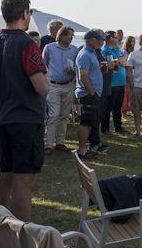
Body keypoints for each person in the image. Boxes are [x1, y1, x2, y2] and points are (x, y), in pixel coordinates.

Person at [0, 0, 49, 222]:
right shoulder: (26, 43)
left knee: (6, 174)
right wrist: (46, 81)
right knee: (23, 180)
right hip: (25, 119)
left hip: (3, 118)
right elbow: (40, 86)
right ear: (24, 14)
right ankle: (22, 234)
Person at [42, 26, 79, 153]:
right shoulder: (49, 48)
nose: (71, 38)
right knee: (53, 115)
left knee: (64, 115)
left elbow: (77, 68)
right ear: (61, 35)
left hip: (68, 84)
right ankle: (48, 144)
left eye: (72, 36)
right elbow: (43, 64)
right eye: (69, 35)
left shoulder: (74, 50)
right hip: (53, 85)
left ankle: (60, 142)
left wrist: (73, 71)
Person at [74, 30, 105, 159]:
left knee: (91, 122)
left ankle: (86, 148)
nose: (102, 42)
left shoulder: (92, 53)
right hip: (88, 94)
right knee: (86, 122)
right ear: (91, 39)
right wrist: (92, 93)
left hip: (93, 93)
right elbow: (83, 76)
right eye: (100, 39)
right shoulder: (85, 54)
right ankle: (81, 151)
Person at [101, 31, 128, 134]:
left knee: (118, 107)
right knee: (108, 108)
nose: (118, 39)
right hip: (111, 84)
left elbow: (125, 60)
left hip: (121, 82)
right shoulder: (105, 50)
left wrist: (119, 61)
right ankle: (105, 129)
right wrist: (119, 61)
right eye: (116, 37)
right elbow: (110, 65)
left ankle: (118, 126)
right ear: (110, 38)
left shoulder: (116, 49)